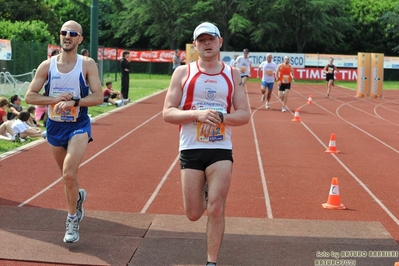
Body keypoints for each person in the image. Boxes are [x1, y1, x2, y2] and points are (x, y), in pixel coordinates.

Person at [163, 22, 250, 266]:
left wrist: (222, 117)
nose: (206, 43)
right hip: (190, 147)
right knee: (193, 213)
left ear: (220, 41)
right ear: (195, 45)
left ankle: (211, 262)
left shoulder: (232, 74)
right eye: (201, 40)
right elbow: (167, 113)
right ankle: (203, 192)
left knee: (216, 208)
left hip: (220, 149)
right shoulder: (183, 73)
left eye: (211, 39)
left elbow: (244, 114)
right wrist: (196, 115)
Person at [25, 20, 103, 243]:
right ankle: (78, 197)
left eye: (72, 33)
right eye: (63, 33)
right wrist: (55, 99)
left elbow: (98, 97)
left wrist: (75, 103)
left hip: (78, 125)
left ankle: (72, 219)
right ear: (59, 36)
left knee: (69, 173)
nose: (67, 36)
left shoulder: (87, 64)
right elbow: (30, 96)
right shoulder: (46, 66)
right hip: (54, 127)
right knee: (68, 178)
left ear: (79, 39)